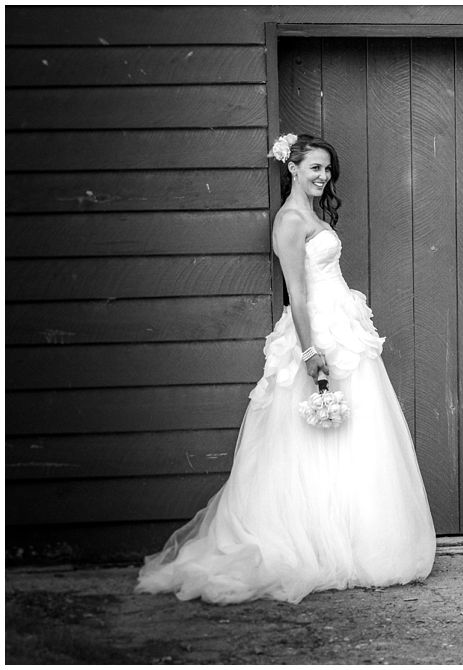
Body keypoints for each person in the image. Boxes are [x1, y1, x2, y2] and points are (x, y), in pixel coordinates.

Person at [136, 134, 436, 603]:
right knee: (309, 439)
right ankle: (313, 544)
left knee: (355, 433)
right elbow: (296, 291)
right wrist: (309, 351)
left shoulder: (314, 215)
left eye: (328, 170)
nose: (323, 176)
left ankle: (356, 541)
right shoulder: (290, 221)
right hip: (317, 331)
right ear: (292, 168)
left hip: (344, 326)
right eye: (315, 168)